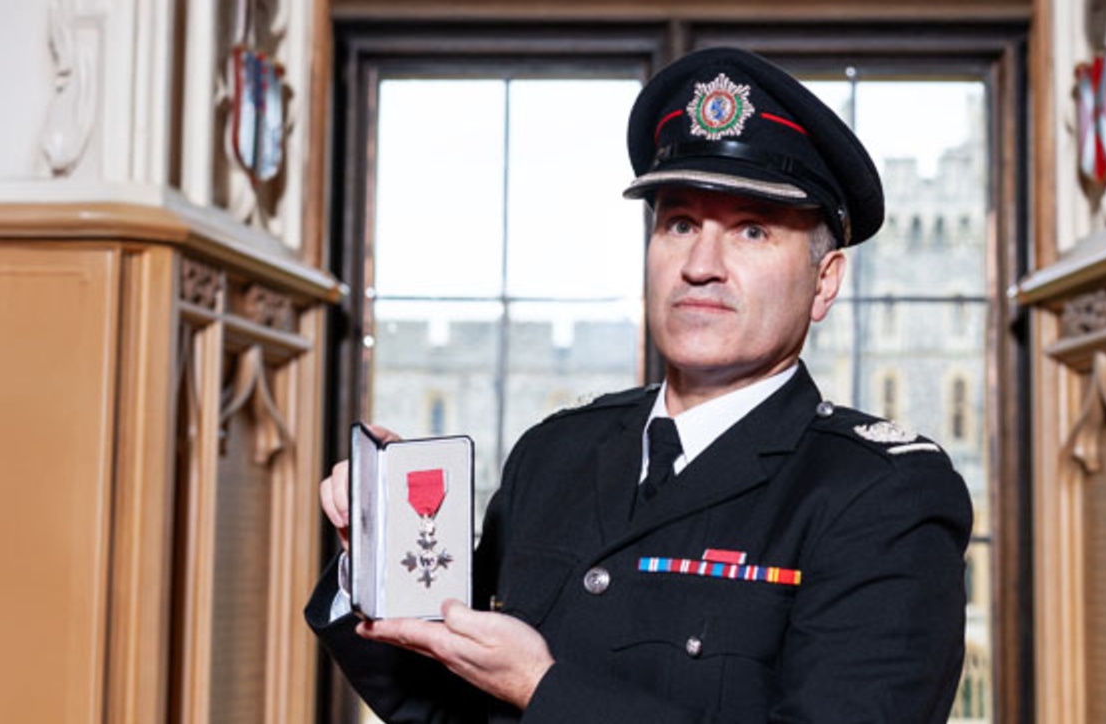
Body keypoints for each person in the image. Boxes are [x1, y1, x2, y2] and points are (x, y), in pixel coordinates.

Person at [306, 46, 973, 723]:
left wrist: (544, 687)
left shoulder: (884, 495)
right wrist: (378, 565)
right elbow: (448, 707)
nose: (701, 265)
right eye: (680, 223)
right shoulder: (554, 454)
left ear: (824, 281)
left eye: (751, 230)